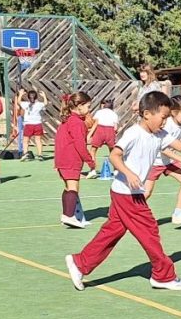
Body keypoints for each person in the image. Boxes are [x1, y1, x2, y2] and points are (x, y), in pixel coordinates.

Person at [64, 91, 181, 292]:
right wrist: (129, 173)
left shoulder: (159, 134)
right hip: (127, 193)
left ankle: (80, 263)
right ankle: (163, 275)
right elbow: (115, 156)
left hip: (128, 192)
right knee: (149, 232)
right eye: (163, 117)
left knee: (112, 232)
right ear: (147, 114)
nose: (165, 122)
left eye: (167, 118)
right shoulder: (134, 133)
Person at [143, 94, 181, 227]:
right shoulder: (167, 126)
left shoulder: (180, 125)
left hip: (167, 162)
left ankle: (178, 214)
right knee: (146, 192)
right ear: (173, 112)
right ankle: (126, 211)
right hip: (154, 163)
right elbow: (162, 148)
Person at [53, 92, 96, 228]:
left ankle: (69, 214)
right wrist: (90, 161)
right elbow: (80, 145)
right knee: (73, 188)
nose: (89, 109)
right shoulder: (77, 122)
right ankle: (68, 216)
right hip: (71, 159)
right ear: (80, 105)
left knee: (67, 188)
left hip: (62, 159)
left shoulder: (66, 120)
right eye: (88, 106)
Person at [86, 98, 118, 178]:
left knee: (93, 150)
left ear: (103, 106)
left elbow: (95, 122)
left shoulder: (99, 112)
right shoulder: (114, 114)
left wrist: (90, 134)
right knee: (112, 151)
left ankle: (92, 170)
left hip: (100, 130)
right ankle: (116, 170)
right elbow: (115, 128)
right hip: (110, 131)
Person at [18, 88, 47, 160]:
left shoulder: (26, 104)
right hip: (37, 124)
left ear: (28, 97)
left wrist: (20, 94)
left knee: (25, 140)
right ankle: (40, 154)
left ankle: (25, 153)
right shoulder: (39, 104)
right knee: (38, 140)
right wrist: (44, 96)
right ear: (36, 97)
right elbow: (45, 103)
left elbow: (18, 102)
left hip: (28, 124)